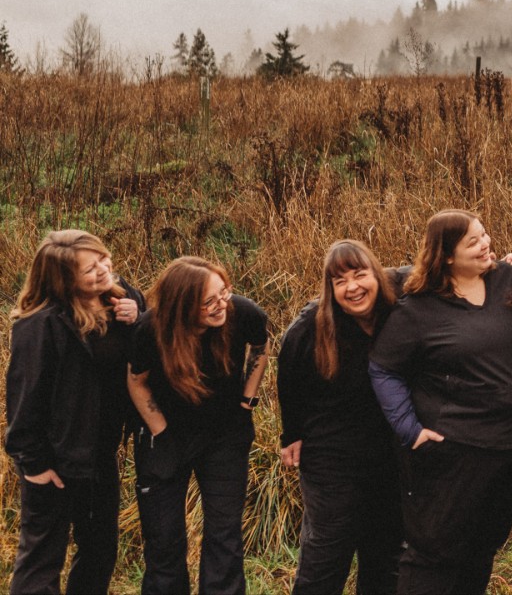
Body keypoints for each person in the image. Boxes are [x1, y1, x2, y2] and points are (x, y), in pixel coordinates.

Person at [367, 210, 512, 595]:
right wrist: (409, 429)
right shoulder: (419, 308)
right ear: (447, 256)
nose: (486, 243)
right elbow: (383, 370)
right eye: (472, 242)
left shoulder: (508, 279)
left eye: (485, 234)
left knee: (482, 548)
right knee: (433, 553)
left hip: (509, 450)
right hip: (452, 453)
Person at [5, 230, 143, 595]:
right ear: (63, 281)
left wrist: (138, 316)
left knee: (100, 550)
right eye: (90, 269)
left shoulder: (119, 296)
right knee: (42, 558)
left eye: (103, 258)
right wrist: (34, 465)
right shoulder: (40, 325)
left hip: (99, 454)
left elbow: (139, 354)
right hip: (54, 459)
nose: (103, 269)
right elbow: (23, 401)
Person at [127, 256, 271, 595]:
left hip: (225, 436)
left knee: (225, 534)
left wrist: (248, 400)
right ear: (182, 305)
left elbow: (262, 346)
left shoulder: (241, 312)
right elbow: (136, 382)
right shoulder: (151, 329)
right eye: (209, 301)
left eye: (224, 292)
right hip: (165, 436)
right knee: (164, 540)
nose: (222, 304)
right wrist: (160, 431)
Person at [277, 239, 403, 595]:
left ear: (377, 275)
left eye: (360, 275)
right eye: (340, 281)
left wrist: (498, 267)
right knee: (325, 557)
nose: (353, 288)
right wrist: (292, 434)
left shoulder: (398, 311)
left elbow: (433, 271)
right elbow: (288, 378)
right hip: (331, 463)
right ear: (330, 289)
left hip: (388, 460)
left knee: (385, 558)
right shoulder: (311, 327)